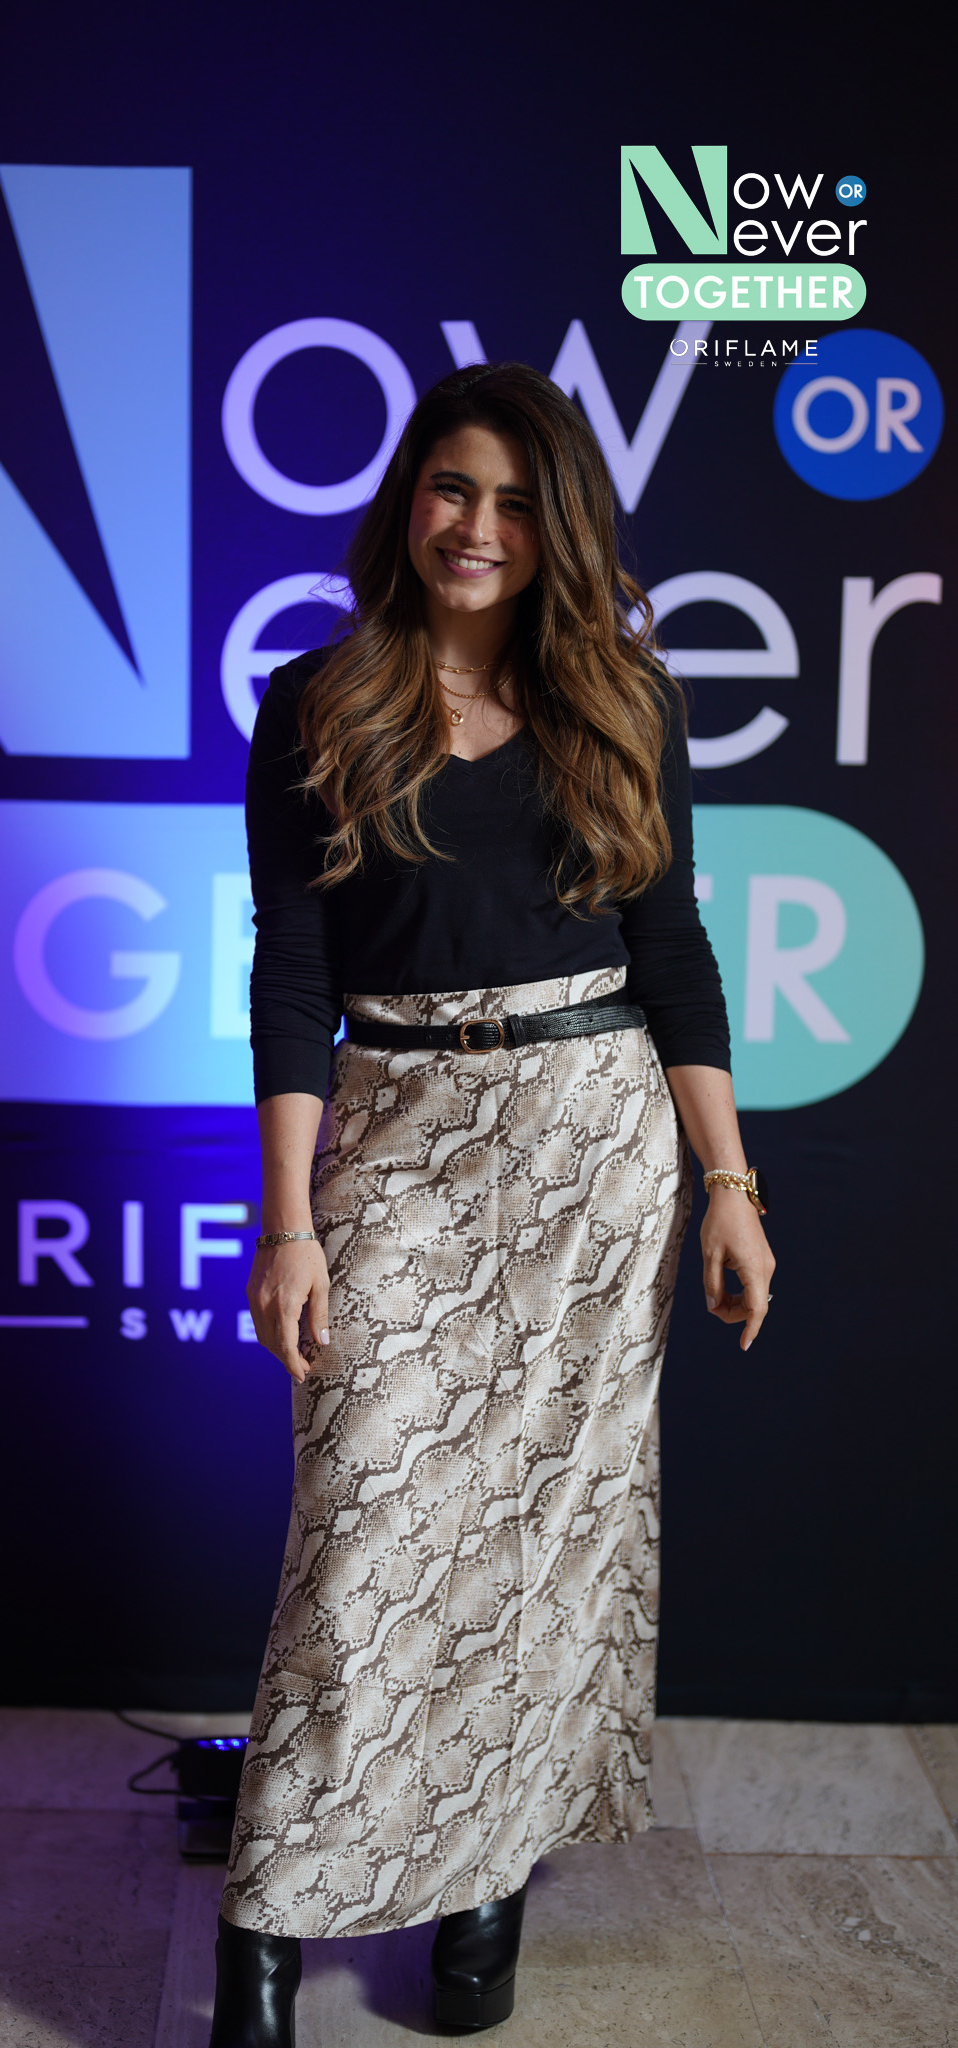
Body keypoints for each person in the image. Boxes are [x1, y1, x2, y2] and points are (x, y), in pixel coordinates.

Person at [207, 362, 776, 2045]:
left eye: (516, 503)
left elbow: (670, 952)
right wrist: (289, 1218)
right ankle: (264, 1932)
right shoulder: (317, 702)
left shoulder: (624, 702)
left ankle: (483, 1893)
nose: (477, 527)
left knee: (545, 1538)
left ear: (558, 526)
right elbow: (290, 971)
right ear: (408, 502)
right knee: (362, 1538)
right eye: (452, 489)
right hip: (397, 1130)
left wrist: (726, 1185)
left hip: (596, 1143)